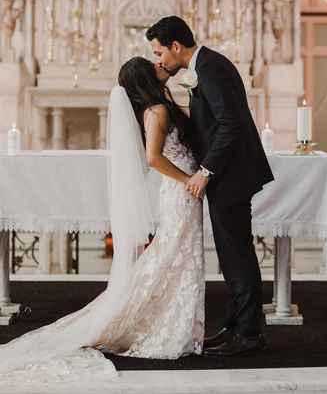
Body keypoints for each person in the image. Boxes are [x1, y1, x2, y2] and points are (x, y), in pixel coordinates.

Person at [0, 57, 205, 387]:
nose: (157, 64)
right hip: (179, 191)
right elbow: (154, 158)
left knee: (179, 258)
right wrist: (188, 180)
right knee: (174, 257)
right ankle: (160, 324)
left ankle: (177, 324)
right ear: (143, 77)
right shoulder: (158, 111)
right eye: (150, 64)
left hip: (179, 191)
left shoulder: (158, 106)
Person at [146, 15, 275, 357]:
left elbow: (231, 124)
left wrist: (205, 170)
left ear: (176, 46)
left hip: (230, 175)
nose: (158, 60)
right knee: (231, 255)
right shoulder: (206, 66)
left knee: (238, 255)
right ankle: (235, 326)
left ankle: (248, 334)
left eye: (160, 53)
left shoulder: (212, 67)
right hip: (229, 175)